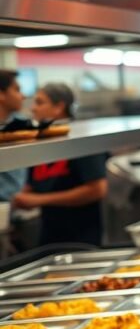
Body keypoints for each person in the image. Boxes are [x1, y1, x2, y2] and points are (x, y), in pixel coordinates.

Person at [12, 83, 107, 246]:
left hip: (81, 239)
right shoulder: (42, 142)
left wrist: (39, 200)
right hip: (49, 237)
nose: (33, 109)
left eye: (39, 102)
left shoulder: (81, 138)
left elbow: (97, 189)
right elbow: (33, 184)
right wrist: (19, 199)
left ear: (59, 107)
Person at [0, 70, 28, 201]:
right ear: (1, 94)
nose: (23, 96)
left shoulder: (22, 125)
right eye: (17, 90)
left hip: (20, 206)